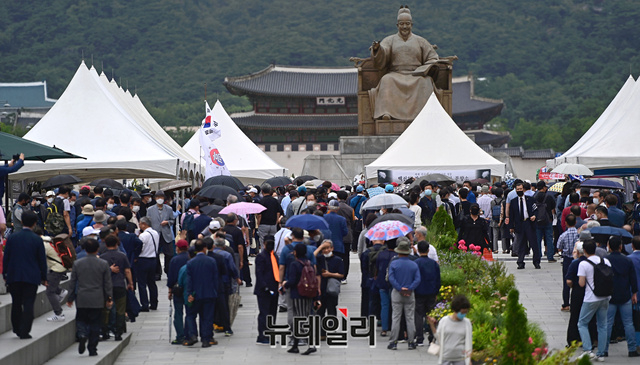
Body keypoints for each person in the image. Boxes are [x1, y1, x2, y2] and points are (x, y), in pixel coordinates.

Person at [368, 6, 440, 121]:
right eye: (402, 24)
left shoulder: (421, 41)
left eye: (407, 24)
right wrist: (378, 49)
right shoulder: (389, 40)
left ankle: (425, 114)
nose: (405, 26)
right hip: (396, 74)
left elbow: (433, 57)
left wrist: (427, 67)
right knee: (387, 80)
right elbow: (383, 53)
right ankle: (387, 113)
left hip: (416, 75)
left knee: (425, 81)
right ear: (397, 25)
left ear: (412, 24)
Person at [2, 210, 48, 339]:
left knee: (16, 302)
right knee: (28, 303)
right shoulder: (37, 240)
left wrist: (5, 274)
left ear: (21, 221)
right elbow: (41, 260)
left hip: (14, 275)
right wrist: (44, 277)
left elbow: (7, 258)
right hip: (31, 276)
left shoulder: (12, 238)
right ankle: (25, 330)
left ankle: (16, 327)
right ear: (34, 223)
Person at [66, 238, 113, 357]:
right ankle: (92, 348)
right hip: (97, 297)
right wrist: (109, 297)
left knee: (81, 319)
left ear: (85, 249)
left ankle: (82, 334)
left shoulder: (77, 263)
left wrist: (70, 297)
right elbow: (107, 283)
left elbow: (73, 282)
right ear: (97, 249)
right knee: (95, 323)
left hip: (82, 296)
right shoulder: (103, 264)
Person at [282, 243, 321, 355]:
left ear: (296, 252)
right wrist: (317, 297)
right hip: (308, 295)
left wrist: (285, 284)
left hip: (298, 295)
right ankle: (295, 345)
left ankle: (310, 344)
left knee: (300, 321)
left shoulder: (295, 264)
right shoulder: (308, 263)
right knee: (300, 319)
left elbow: (293, 280)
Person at [604, 237, 639, 357]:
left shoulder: (606, 260)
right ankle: (632, 349)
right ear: (620, 246)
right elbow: (632, 279)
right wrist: (634, 293)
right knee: (628, 323)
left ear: (609, 246)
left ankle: (604, 349)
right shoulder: (627, 260)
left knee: (607, 323)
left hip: (610, 295)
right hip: (625, 295)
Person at [577, 240, 611, 361]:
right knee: (602, 325)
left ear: (584, 250)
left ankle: (587, 350)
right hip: (606, 296)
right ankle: (601, 353)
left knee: (582, 323)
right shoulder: (605, 261)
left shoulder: (583, 264)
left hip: (591, 297)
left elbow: (581, 284)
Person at [386, 238, 421, 350]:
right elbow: (418, 279)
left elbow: (391, 278)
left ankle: (393, 342)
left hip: (397, 292)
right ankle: (411, 342)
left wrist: (400, 288)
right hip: (410, 294)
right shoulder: (413, 264)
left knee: (396, 317)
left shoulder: (394, 263)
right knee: (410, 318)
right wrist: (409, 288)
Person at [184, 239, 219, 348]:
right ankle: (206, 339)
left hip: (195, 294)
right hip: (209, 293)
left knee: (191, 315)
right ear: (205, 248)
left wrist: (189, 293)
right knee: (207, 317)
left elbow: (189, 280)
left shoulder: (190, 263)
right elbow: (215, 278)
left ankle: (193, 335)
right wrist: (215, 291)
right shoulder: (211, 261)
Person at [100, 234, 133, 341]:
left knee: (106, 309)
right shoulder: (122, 256)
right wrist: (130, 283)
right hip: (120, 284)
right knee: (120, 309)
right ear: (116, 244)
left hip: (106, 286)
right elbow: (127, 271)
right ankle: (118, 332)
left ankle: (105, 330)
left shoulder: (102, 257)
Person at [428, 294, 473, 365]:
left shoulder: (467, 323)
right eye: (462, 313)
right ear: (455, 310)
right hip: (445, 357)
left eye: (465, 312)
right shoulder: (444, 321)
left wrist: (469, 359)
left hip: (460, 358)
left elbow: (469, 342)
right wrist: (432, 325)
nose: (463, 315)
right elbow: (438, 337)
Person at [315, 240, 344, 339]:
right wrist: (320, 247)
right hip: (320, 289)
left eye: (328, 248)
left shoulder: (338, 260)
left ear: (332, 248)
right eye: (324, 248)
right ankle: (322, 333)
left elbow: (341, 274)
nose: (326, 250)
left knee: (331, 310)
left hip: (332, 289)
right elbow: (311, 258)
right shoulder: (319, 259)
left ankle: (331, 329)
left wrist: (330, 274)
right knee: (320, 311)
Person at [414, 241, 441, 346]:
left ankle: (419, 338)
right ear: (428, 250)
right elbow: (438, 279)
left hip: (418, 292)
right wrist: (436, 291)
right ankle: (431, 338)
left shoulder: (416, 263)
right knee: (431, 315)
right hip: (431, 292)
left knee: (419, 315)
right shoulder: (434, 264)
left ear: (418, 250)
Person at [509, 182, 540, 270]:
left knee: (534, 243)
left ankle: (536, 262)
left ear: (524, 189)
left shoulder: (530, 199)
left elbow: (536, 210)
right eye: (517, 189)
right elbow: (511, 215)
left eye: (520, 189)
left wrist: (534, 216)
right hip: (519, 224)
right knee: (521, 244)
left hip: (529, 223)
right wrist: (511, 226)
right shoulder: (513, 201)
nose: (519, 191)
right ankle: (520, 262)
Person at [254, 239, 280, 345]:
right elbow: (259, 273)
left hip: (274, 288)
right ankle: (262, 335)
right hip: (264, 289)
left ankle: (270, 333)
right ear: (264, 244)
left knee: (272, 312)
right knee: (264, 313)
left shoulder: (275, 256)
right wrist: (265, 286)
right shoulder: (261, 257)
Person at [145, 190, 175, 278]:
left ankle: (168, 270)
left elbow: (172, 220)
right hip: (155, 233)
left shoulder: (169, 209)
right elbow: (148, 221)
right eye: (158, 197)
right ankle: (157, 272)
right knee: (155, 254)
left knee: (169, 254)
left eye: (161, 197)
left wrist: (168, 222)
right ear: (155, 198)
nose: (159, 199)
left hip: (166, 234)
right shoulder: (150, 209)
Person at [167, 239, 190, 345]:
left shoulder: (175, 260)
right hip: (189, 289)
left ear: (178, 248)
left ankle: (180, 336)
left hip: (178, 289)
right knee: (189, 313)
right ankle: (189, 334)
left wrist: (170, 290)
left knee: (178, 313)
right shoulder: (190, 258)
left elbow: (171, 276)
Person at [43, 235, 69, 322]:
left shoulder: (44, 245)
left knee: (50, 291)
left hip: (56, 269)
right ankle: (61, 291)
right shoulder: (49, 241)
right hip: (59, 267)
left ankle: (59, 314)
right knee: (51, 285)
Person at [136, 217, 159, 312]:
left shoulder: (143, 236)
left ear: (144, 224)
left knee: (142, 283)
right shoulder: (156, 233)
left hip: (143, 260)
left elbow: (140, 248)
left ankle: (144, 304)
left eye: (140, 224)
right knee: (152, 282)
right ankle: (154, 303)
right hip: (153, 259)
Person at [557, 214, 579, 312]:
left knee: (566, 281)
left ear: (565, 223)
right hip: (577, 259)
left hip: (567, 259)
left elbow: (559, 247)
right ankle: (576, 303)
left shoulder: (563, 235)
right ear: (576, 222)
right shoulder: (579, 234)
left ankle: (566, 303)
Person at [324, 200, 349, 282]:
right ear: (338, 209)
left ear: (328, 207)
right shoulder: (342, 219)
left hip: (326, 245)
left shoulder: (324, 217)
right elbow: (345, 232)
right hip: (338, 244)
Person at [257, 184, 283, 248]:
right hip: (273, 224)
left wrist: (258, 224)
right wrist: (276, 222)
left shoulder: (261, 201)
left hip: (263, 224)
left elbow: (259, 215)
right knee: (273, 241)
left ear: (262, 191)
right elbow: (278, 213)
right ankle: (272, 255)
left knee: (263, 242)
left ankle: (265, 256)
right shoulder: (275, 201)